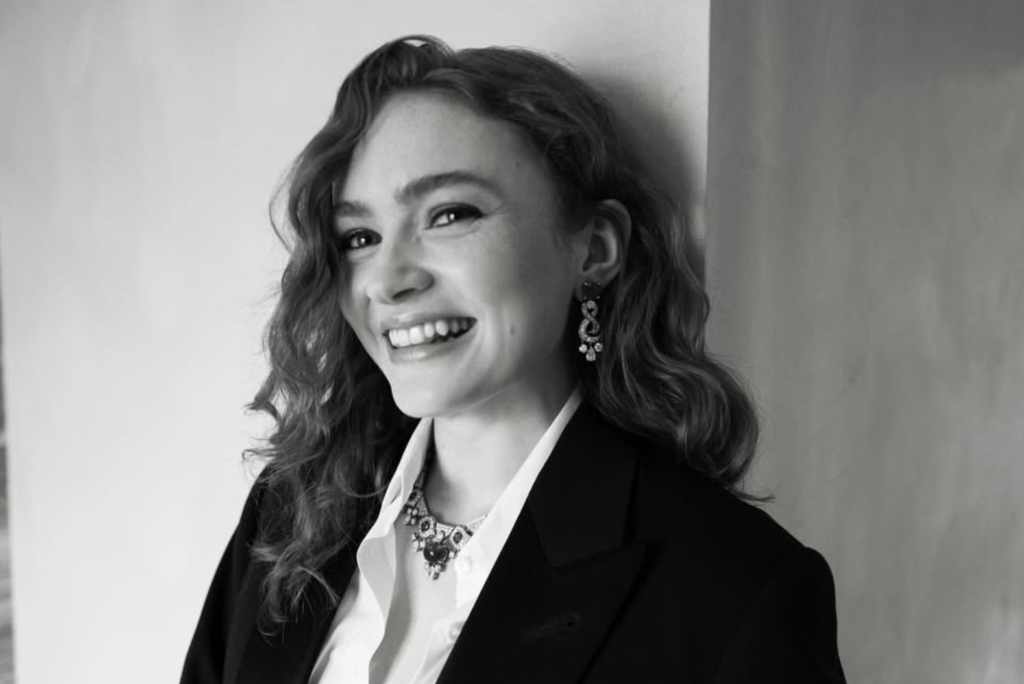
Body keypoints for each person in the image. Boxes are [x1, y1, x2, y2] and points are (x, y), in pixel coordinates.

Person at [180, 35, 846, 684]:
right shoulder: (287, 518)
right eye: (359, 236)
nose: (387, 280)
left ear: (594, 249)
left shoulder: (734, 587)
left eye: (449, 215)